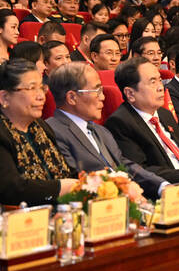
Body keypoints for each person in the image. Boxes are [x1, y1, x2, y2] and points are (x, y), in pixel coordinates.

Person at [46, 63, 168, 198]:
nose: (103, 97)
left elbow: (123, 165)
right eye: (96, 91)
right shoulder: (53, 131)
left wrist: (162, 186)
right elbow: (75, 182)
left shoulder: (101, 131)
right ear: (72, 98)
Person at [104, 58, 179, 188]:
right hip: (164, 195)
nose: (160, 87)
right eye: (152, 82)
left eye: (159, 80)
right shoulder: (120, 123)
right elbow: (141, 172)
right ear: (130, 93)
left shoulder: (164, 114)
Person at [0, 60, 78, 205]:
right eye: (32, 88)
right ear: (4, 98)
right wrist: (60, 187)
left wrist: (88, 181)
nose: (41, 96)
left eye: (41, 88)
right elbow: (12, 190)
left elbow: (67, 172)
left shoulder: (40, 127)